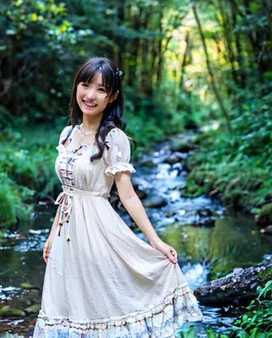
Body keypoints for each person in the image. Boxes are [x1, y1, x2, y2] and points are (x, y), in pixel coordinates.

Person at [32, 57, 203, 338]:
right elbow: (67, 193)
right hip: (67, 238)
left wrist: (155, 241)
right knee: (67, 309)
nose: (90, 95)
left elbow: (129, 196)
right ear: (76, 87)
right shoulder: (67, 135)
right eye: (86, 85)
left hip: (98, 233)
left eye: (101, 90)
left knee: (102, 308)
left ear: (112, 97)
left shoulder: (114, 138)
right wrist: (52, 236)